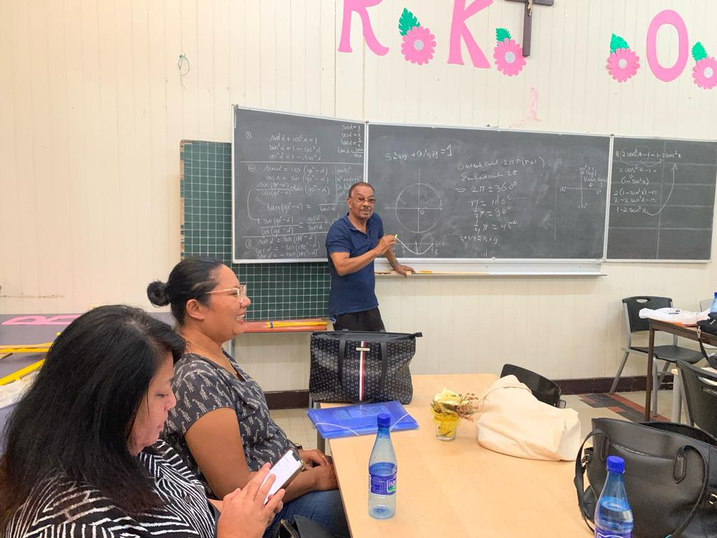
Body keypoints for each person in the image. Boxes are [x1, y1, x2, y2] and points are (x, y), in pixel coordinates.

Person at [0, 305, 284, 538]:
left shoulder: (138, 446)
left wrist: (245, 509)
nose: (172, 402)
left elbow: (190, 504)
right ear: (113, 404)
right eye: (161, 393)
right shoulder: (73, 525)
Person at [147, 258, 349, 538]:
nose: (246, 301)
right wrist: (315, 480)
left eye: (241, 291)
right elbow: (235, 489)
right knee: (358, 506)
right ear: (195, 308)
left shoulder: (214, 354)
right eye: (234, 294)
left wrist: (295, 456)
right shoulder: (195, 378)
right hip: (266, 515)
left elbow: (249, 441)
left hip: (280, 483)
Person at [326, 181, 414, 331]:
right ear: (349, 202)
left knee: (380, 352)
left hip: (369, 304)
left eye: (371, 200)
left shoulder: (374, 221)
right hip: (346, 309)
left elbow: (382, 242)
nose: (366, 204)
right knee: (352, 355)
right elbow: (342, 267)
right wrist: (376, 251)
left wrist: (395, 264)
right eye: (360, 199)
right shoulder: (339, 230)